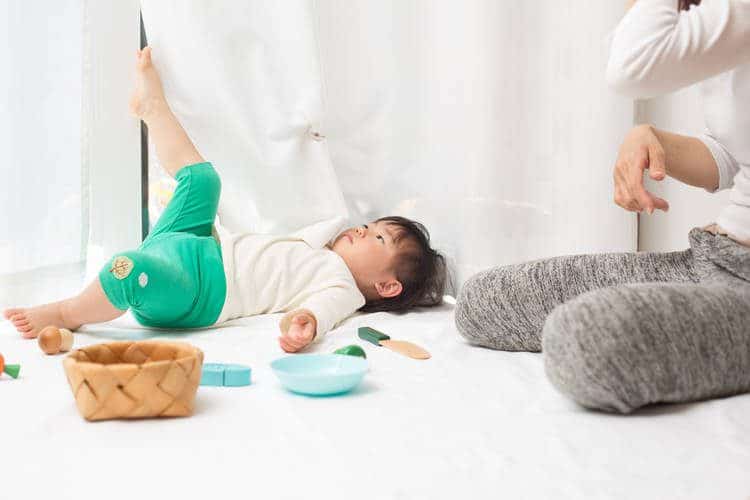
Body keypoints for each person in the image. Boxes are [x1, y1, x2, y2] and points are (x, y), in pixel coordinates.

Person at [3, 47, 447, 353]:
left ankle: (68, 310)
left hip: (194, 290)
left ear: (387, 286)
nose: (362, 230)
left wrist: (304, 327)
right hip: (197, 241)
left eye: (379, 240)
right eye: (370, 226)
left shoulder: (342, 288)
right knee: (204, 180)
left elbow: (319, 314)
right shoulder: (324, 241)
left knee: (125, 268)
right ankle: (153, 108)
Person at [455, 0, 750, 413]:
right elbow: (732, 156)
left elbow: (631, 67)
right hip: (719, 257)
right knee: (482, 303)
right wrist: (651, 138)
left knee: (583, 342)